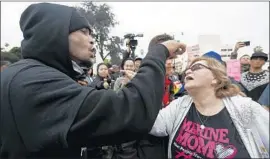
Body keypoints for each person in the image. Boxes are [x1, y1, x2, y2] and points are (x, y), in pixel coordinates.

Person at [0, 3, 186, 158]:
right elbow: (131, 111)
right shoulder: (31, 81)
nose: (92, 40)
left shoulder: (33, 74)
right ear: (53, 32)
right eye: (84, 31)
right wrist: (158, 52)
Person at [150, 57, 269, 159]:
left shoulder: (246, 108)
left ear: (215, 78)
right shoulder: (179, 105)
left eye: (196, 67)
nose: (188, 72)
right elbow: (152, 124)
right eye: (188, 69)